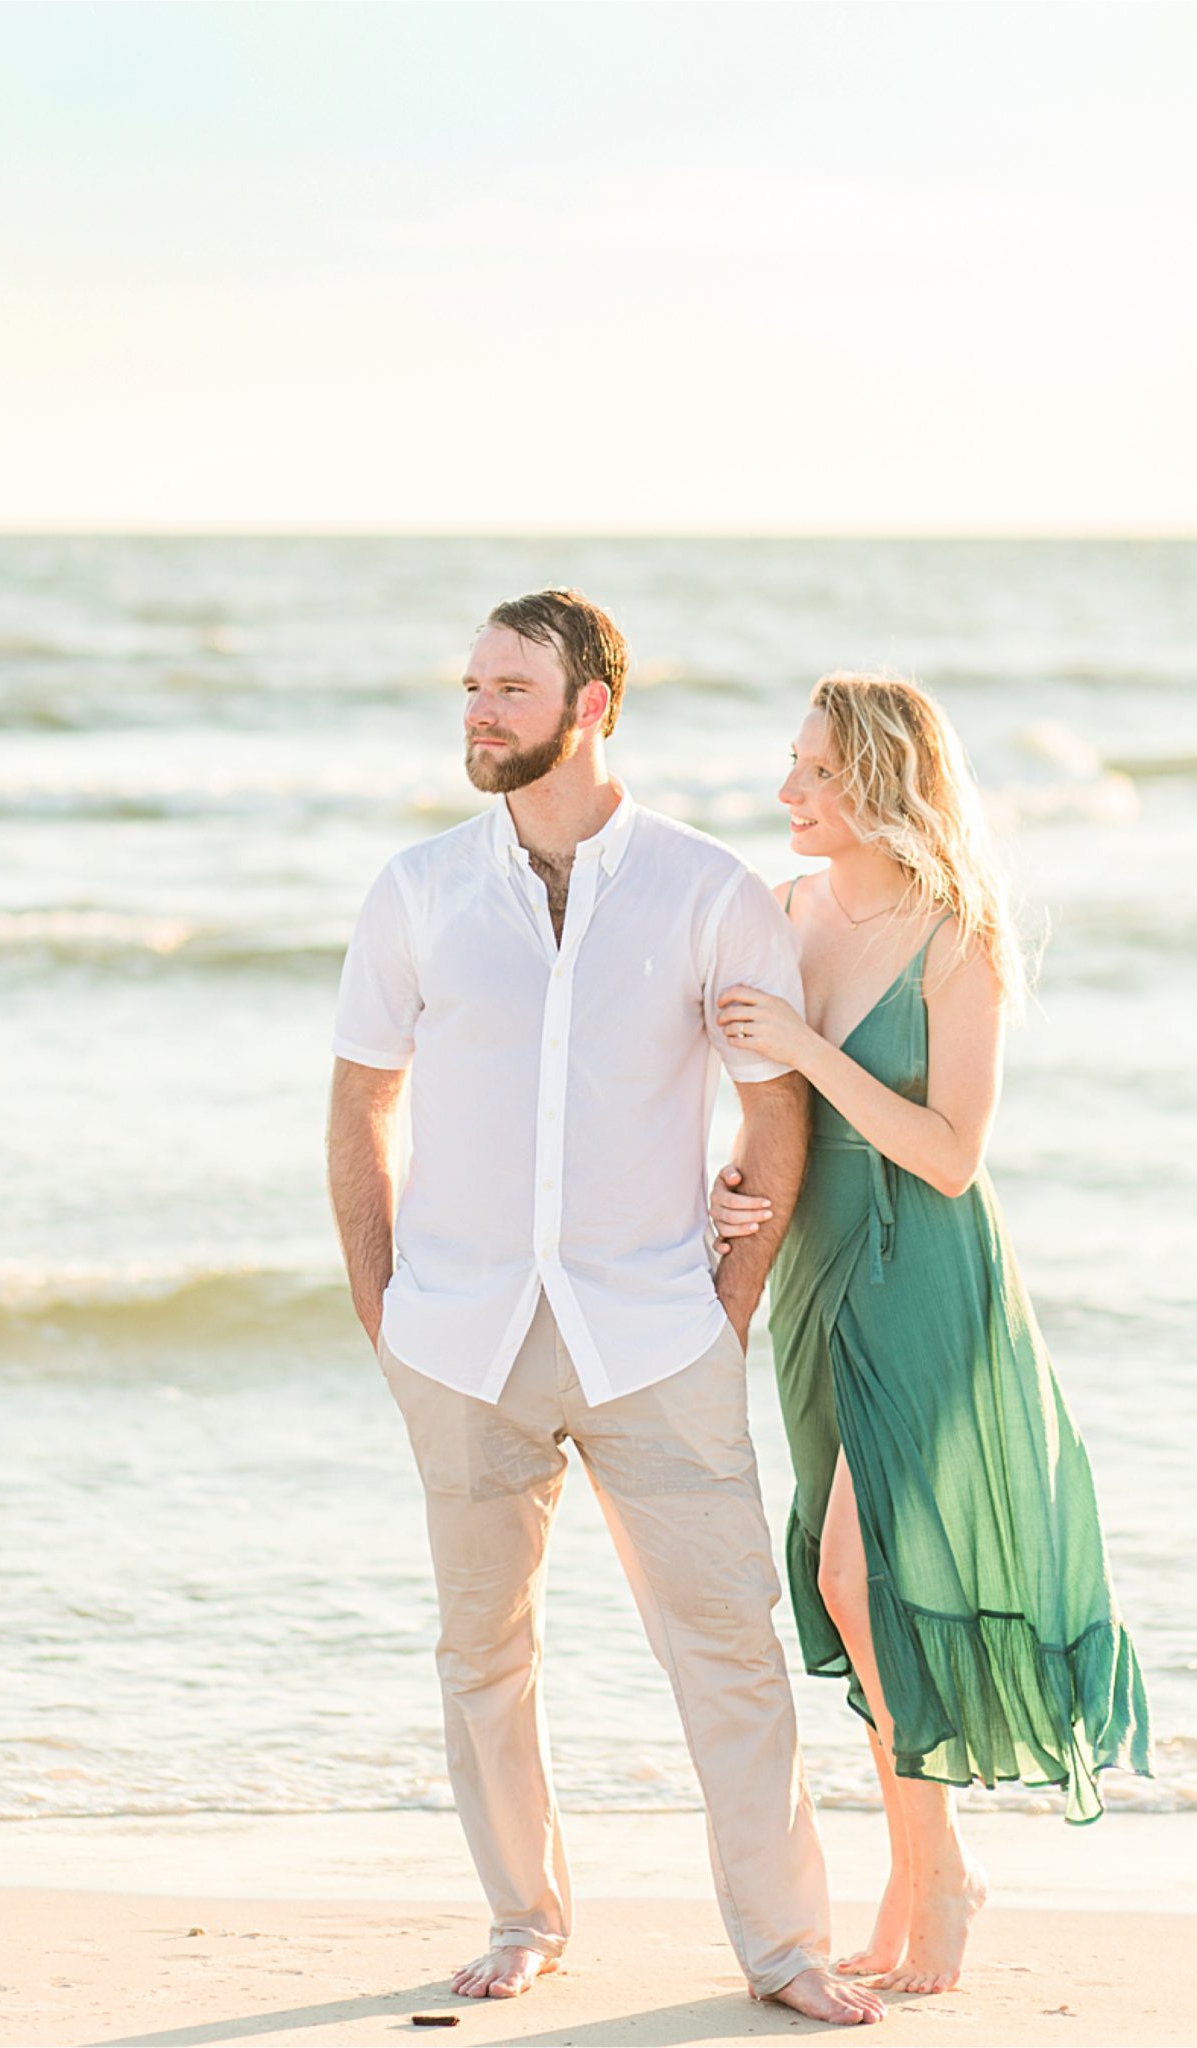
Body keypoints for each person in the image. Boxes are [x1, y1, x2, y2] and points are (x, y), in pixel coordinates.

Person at [326, 591, 884, 2026]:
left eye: (509, 687)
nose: (477, 708)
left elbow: (776, 1114)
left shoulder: (707, 890)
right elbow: (360, 1104)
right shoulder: (417, 890)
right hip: (458, 1340)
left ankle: (783, 1950)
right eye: (470, 684)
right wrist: (385, 1308)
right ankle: (522, 1921)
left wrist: (727, 1308)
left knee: (728, 1649)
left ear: (592, 706)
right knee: (482, 1650)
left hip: (655, 1338)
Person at [711, 671, 1152, 1998]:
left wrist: (804, 1042)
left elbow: (950, 1155)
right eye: (787, 766)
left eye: (814, 773)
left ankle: (932, 1873)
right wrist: (734, 1191)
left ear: (879, 782)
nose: (787, 791)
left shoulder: (959, 928)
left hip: (923, 1271)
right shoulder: (785, 908)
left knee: (862, 1570)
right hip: (815, 1269)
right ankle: (922, 1867)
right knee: (851, 1578)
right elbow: (772, 1110)